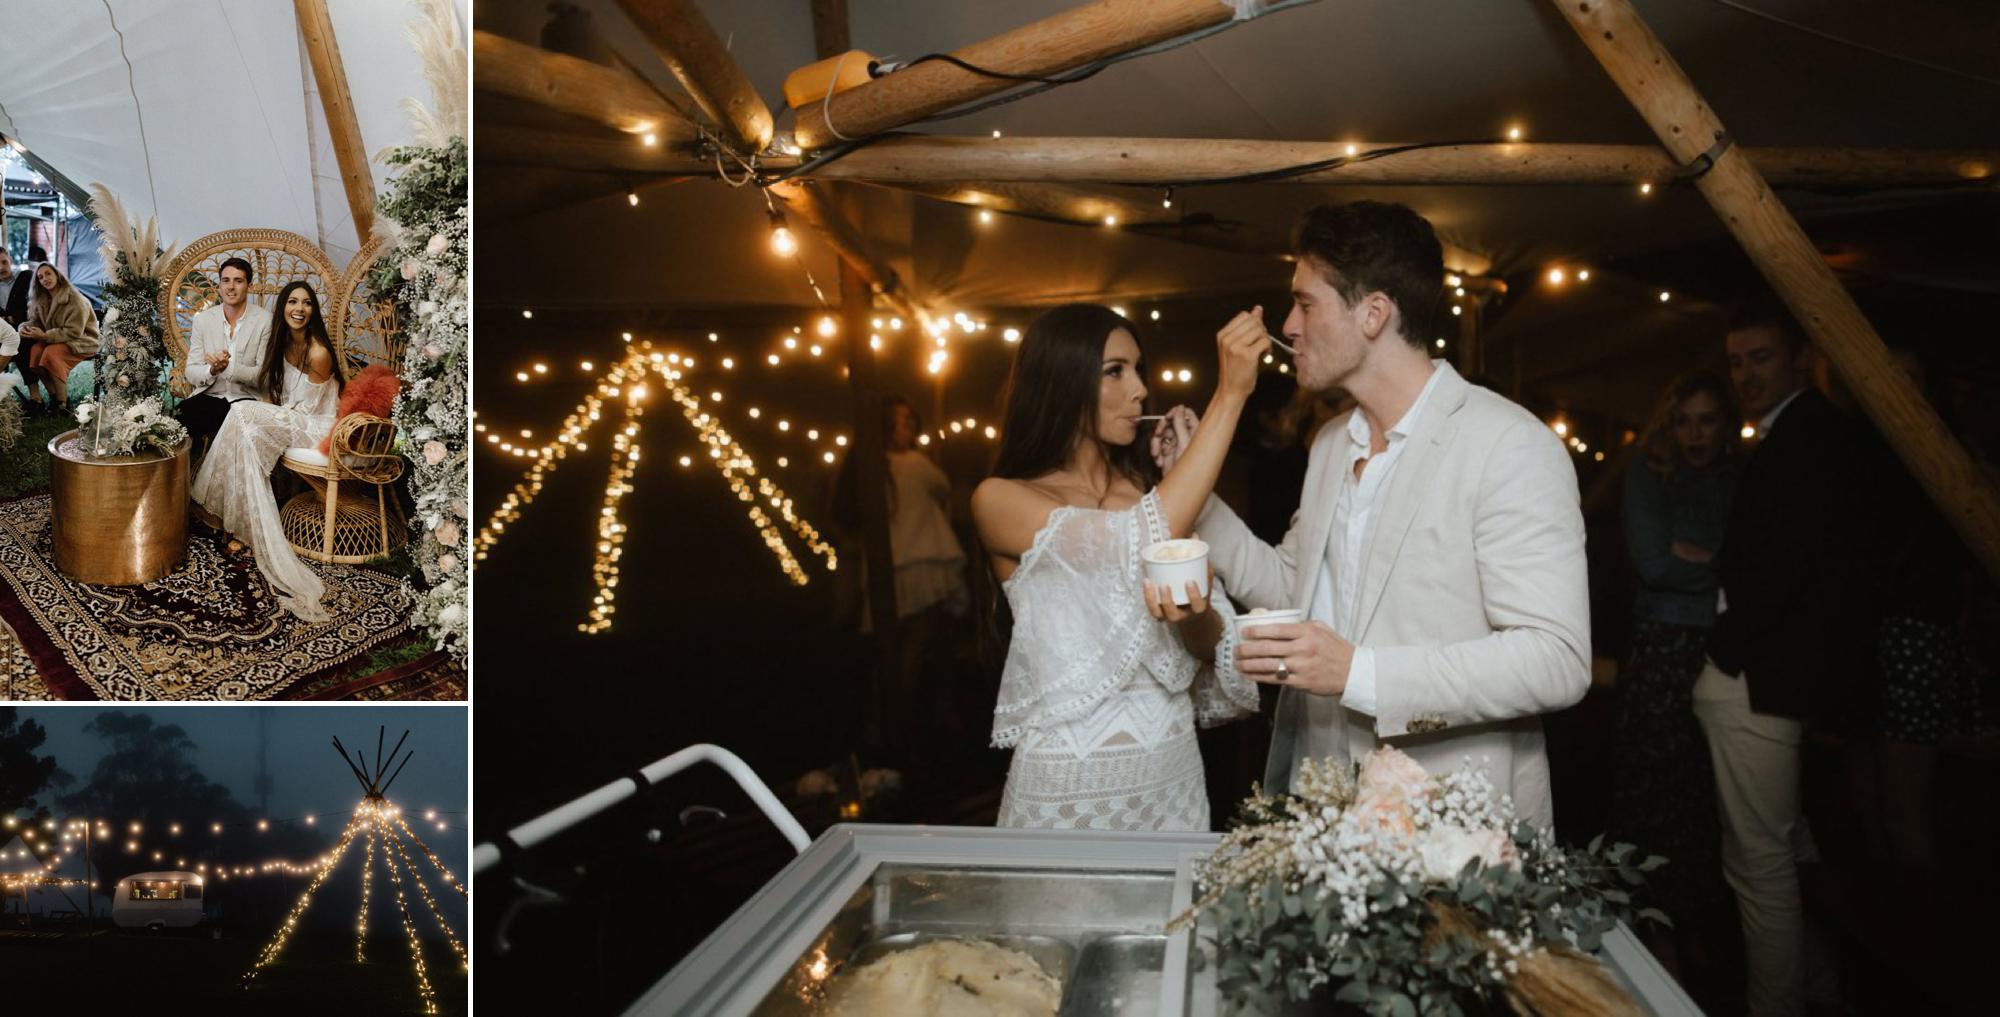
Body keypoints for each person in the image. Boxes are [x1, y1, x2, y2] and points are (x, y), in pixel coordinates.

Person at [1173, 201, 1591, 830]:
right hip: (1323, 808)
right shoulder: (1331, 443)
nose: (1288, 324)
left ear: (1374, 312)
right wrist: (1194, 492)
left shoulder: (1507, 443)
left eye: (1305, 303)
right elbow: (1292, 585)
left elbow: (1556, 659)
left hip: (1448, 819)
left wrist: (1360, 673)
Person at [971, 303, 1264, 831]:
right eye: (1115, 371)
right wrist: (1231, 396)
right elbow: (1137, 542)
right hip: (1069, 790)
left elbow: (1209, 645)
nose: (1140, 391)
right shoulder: (1000, 499)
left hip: (1173, 780)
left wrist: (1192, 615)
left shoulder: (1153, 500)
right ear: (1061, 381)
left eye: (1138, 370)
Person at [1698, 295, 1867, 1016]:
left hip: (1761, 679)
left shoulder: (1808, 436)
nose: (1746, 374)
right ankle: (1825, 994)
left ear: (1800, 355)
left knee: (1760, 870)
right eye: (1736, 362)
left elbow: (1788, 568)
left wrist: (1724, 654)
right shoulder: (1796, 433)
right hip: (1770, 675)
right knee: (1788, 854)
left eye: (1760, 357)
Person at [1611, 370, 1742, 977]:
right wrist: (1715, 563)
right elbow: (1654, 562)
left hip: (1723, 647)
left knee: (1703, 796)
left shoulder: (1738, 477)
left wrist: (1710, 558)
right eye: (1684, 420)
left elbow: (1749, 563)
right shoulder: (1649, 472)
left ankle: (1693, 925)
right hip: (1661, 646)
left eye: (1708, 420)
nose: (1695, 433)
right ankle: (1654, 930)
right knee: (1653, 791)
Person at [1847, 346, 1980, 869]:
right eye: (1889, 377)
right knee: (1868, 802)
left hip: (1917, 633)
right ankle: (1888, 926)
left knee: (1905, 806)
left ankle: (1925, 936)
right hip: (1863, 635)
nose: (1897, 390)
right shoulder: (1861, 454)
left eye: (1911, 379)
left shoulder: (1945, 458)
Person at [190, 281, 344, 622]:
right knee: (244, 421)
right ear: (283, 308)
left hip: (315, 427)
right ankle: (237, 518)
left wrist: (267, 416)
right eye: (292, 302)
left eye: (306, 303)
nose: (298, 309)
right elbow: (275, 395)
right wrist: (267, 415)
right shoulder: (282, 342)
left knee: (243, 414)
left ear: (313, 310)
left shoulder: (317, 352)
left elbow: (306, 409)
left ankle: (236, 521)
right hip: (291, 416)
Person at [831, 394, 973, 757]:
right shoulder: (912, 464)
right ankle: (902, 725)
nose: (909, 429)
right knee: (914, 648)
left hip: (890, 569)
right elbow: (942, 488)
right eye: (902, 423)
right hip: (922, 564)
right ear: (885, 429)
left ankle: (920, 718)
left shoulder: (864, 467)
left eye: (912, 422)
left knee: (909, 646)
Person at [177, 257, 272, 446]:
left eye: (238, 281)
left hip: (246, 400)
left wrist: (228, 368)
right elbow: (191, 371)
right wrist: (212, 370)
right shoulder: (203, 320)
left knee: (235, 421)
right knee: (181, 416)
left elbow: (264, 375)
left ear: (249, 286)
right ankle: (187, 474)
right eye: (226, 280)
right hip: (210, 395)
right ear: (219, 285)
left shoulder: (265, 320)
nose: (231, 287)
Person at [19, 262, 100, 414]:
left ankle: (62, 403)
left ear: (57, 274)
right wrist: (24, 327)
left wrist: (44, 335)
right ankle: (54, 396)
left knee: (51, 353)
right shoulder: (42, 299)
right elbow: (36, 322)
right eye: (40, 277)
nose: (45, 279)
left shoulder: (75, 299)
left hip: (83, 340)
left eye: (48, 273)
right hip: (57, 339)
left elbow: (74, 331)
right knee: (36, 350)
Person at [1, 245, 39, 328]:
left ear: (10, 260)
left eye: (4, 262)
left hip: (28, 331)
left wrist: (8, 319)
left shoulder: (26, 277)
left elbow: (36, 307)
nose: (1, 267)